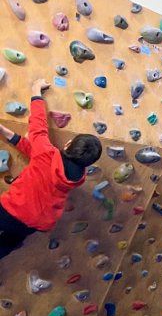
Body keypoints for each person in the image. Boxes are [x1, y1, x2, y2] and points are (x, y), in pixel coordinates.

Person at [0, 79, 102, 260]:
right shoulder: (78, 177)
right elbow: (34, 152)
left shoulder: (47, 154)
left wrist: (36, 89)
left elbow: (38, 126)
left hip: (12, 210)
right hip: (34, 224)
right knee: (5, 245)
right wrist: (5, 132)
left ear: (69, 143)